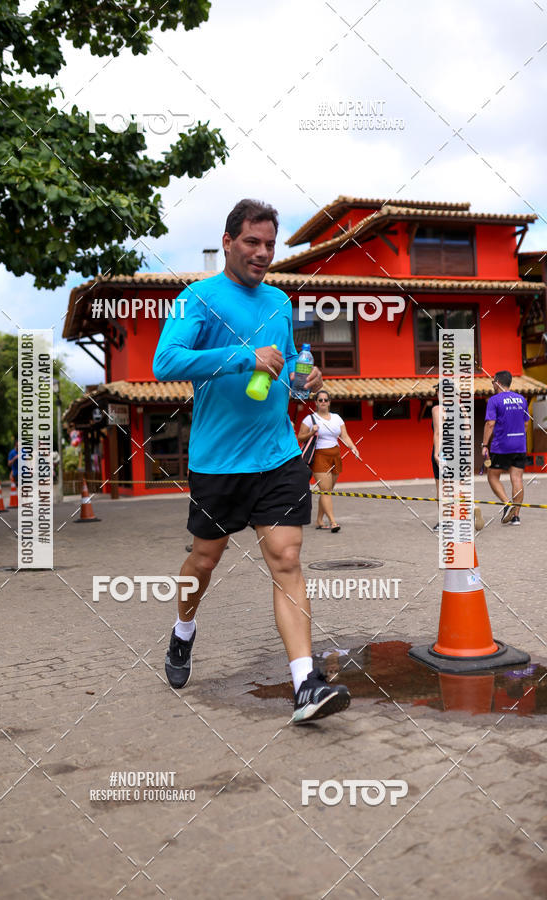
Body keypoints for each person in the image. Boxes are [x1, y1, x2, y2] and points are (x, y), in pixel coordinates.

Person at [153, 199, 350, 724]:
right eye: (252, 242)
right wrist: (244, 356)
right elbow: (165, 362)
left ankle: (305, 683)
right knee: (204, 561)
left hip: (277, 455)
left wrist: (306, 381)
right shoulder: (195, 299)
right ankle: (183, 630)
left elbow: (282, 375)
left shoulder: (280, 302)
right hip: (218, 462)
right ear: (228, 241)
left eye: (269, 244)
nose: (263, 253)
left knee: (286, 559)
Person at [297, 391, 360, 532]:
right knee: (325, 491)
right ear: (316, 402)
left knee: (328, 491)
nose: (323, 402)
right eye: (320, 400)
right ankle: (333, 522)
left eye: (326, 400)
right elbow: (300, 437)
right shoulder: (310, 419)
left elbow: (344, 436)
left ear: (330, 402)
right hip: (319, 456)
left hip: (335, 455)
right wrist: (311, 432)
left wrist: (353, 447)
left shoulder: (337, 418)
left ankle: (319, 521)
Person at [431, 382, 484, 532]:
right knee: (459, 485)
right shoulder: (462, 408)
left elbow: (439, 432)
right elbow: (467, 433)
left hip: (444, 451)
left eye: (437, 391)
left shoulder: (437, 409)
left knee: (442, 488)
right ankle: (472, 507)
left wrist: (436, 453)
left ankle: (445, 521)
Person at [482, 371, 529, 526]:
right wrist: (519, 438)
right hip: (520, 444)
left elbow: (490, 424)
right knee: (517, 479)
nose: (492, 385)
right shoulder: (522, 399)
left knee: (492, 476)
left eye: (493, 383)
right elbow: (526, 423)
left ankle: (507, 504)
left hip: (502, 446)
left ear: (497, 382)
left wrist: (484, 445)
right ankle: (516, 516)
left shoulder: (494, 400)